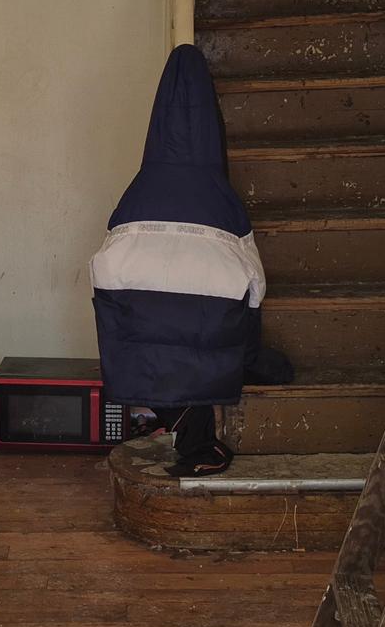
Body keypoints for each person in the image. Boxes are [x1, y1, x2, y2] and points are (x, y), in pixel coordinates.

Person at [92, 44, 267, 477]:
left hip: (141, 314)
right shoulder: (221, 197)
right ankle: (197, 438)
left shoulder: (139, 188)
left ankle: (182, 424)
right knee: (210, 338)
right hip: (206, 316)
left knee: (137, 343)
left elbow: (111, 249)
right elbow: (255, 282)